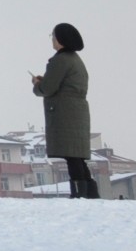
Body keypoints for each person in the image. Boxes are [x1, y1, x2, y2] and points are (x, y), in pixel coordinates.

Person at [33, 23, 93, 198]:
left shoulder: (61, 59)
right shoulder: (75, 59)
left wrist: (38, 85)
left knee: (71, 156)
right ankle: (90, 192)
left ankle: (79, 194)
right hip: (77, 111)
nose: (52, 39)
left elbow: (48, 88)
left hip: (65, 112)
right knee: (77, 156)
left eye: (53, 36)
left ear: (60, 39)